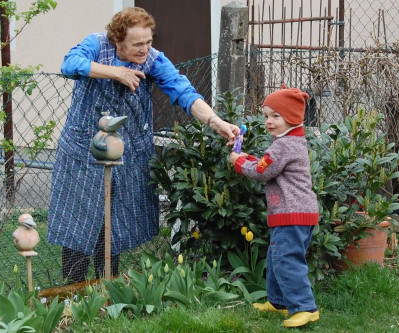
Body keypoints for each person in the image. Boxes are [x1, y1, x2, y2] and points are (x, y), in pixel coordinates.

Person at [47, 7, 239, 283]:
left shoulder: (153, 60)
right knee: (79, 221)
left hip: (125, 152)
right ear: (118, 41)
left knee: (112, 221)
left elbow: (182, 91)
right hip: (82, 151)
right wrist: (115, 72)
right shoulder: (97, 45)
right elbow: (69, 64)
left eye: (149, 42)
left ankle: (107, 286)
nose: (145, 49)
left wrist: (215, 121)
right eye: (138, 44)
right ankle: (73, 289)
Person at [229, 86, 320, 328]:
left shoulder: (283, 145)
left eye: (276, 116)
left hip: (292, 214)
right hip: (294, 213)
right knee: (276, 258)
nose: (269, 121)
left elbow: (262, 170)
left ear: (291, 116)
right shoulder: (290, 140)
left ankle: (305, 308)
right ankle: (279, 303)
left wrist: (239, 163)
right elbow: (265, 164)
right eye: (267, 115)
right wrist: (246, 158)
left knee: (287, 260)